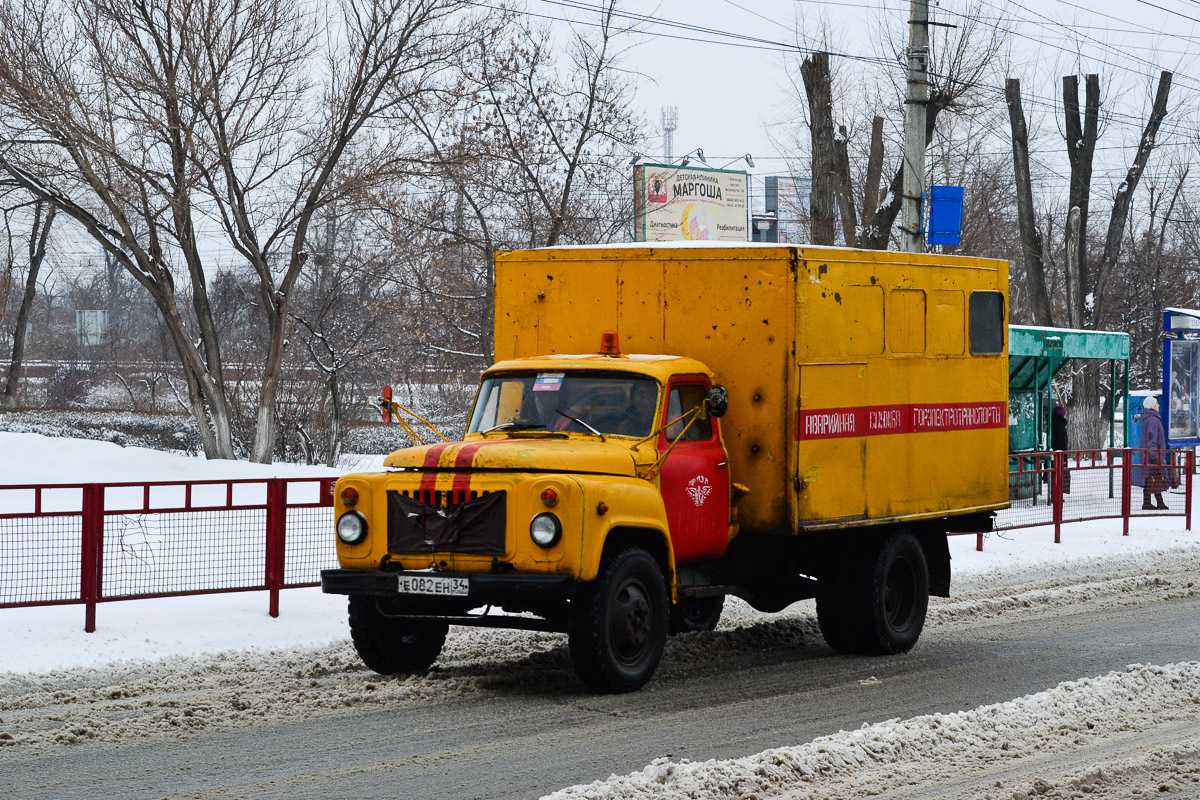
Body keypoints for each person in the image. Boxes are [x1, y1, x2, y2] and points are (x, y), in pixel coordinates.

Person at [1141, 395, 1169, 510]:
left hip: (1149, 453)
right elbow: (1151, 438)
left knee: (1151, 478)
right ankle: (1154, 503)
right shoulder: (1153, 420)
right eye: (1156, 403)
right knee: (1154, 477)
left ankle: (1150, 502)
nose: (1158, 405)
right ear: (1152, 406)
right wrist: (1154, 456)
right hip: (1153, 454)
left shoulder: (1148, 419)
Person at [1051, 405, 1071, 494]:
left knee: (1054, 475)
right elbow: (1061, 442)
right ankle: (1056, 495)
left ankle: (1054, 494)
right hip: (1059, 454)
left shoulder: (1053, 423)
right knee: (1058, 475)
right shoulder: (1060, 426)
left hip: (1055, 453)